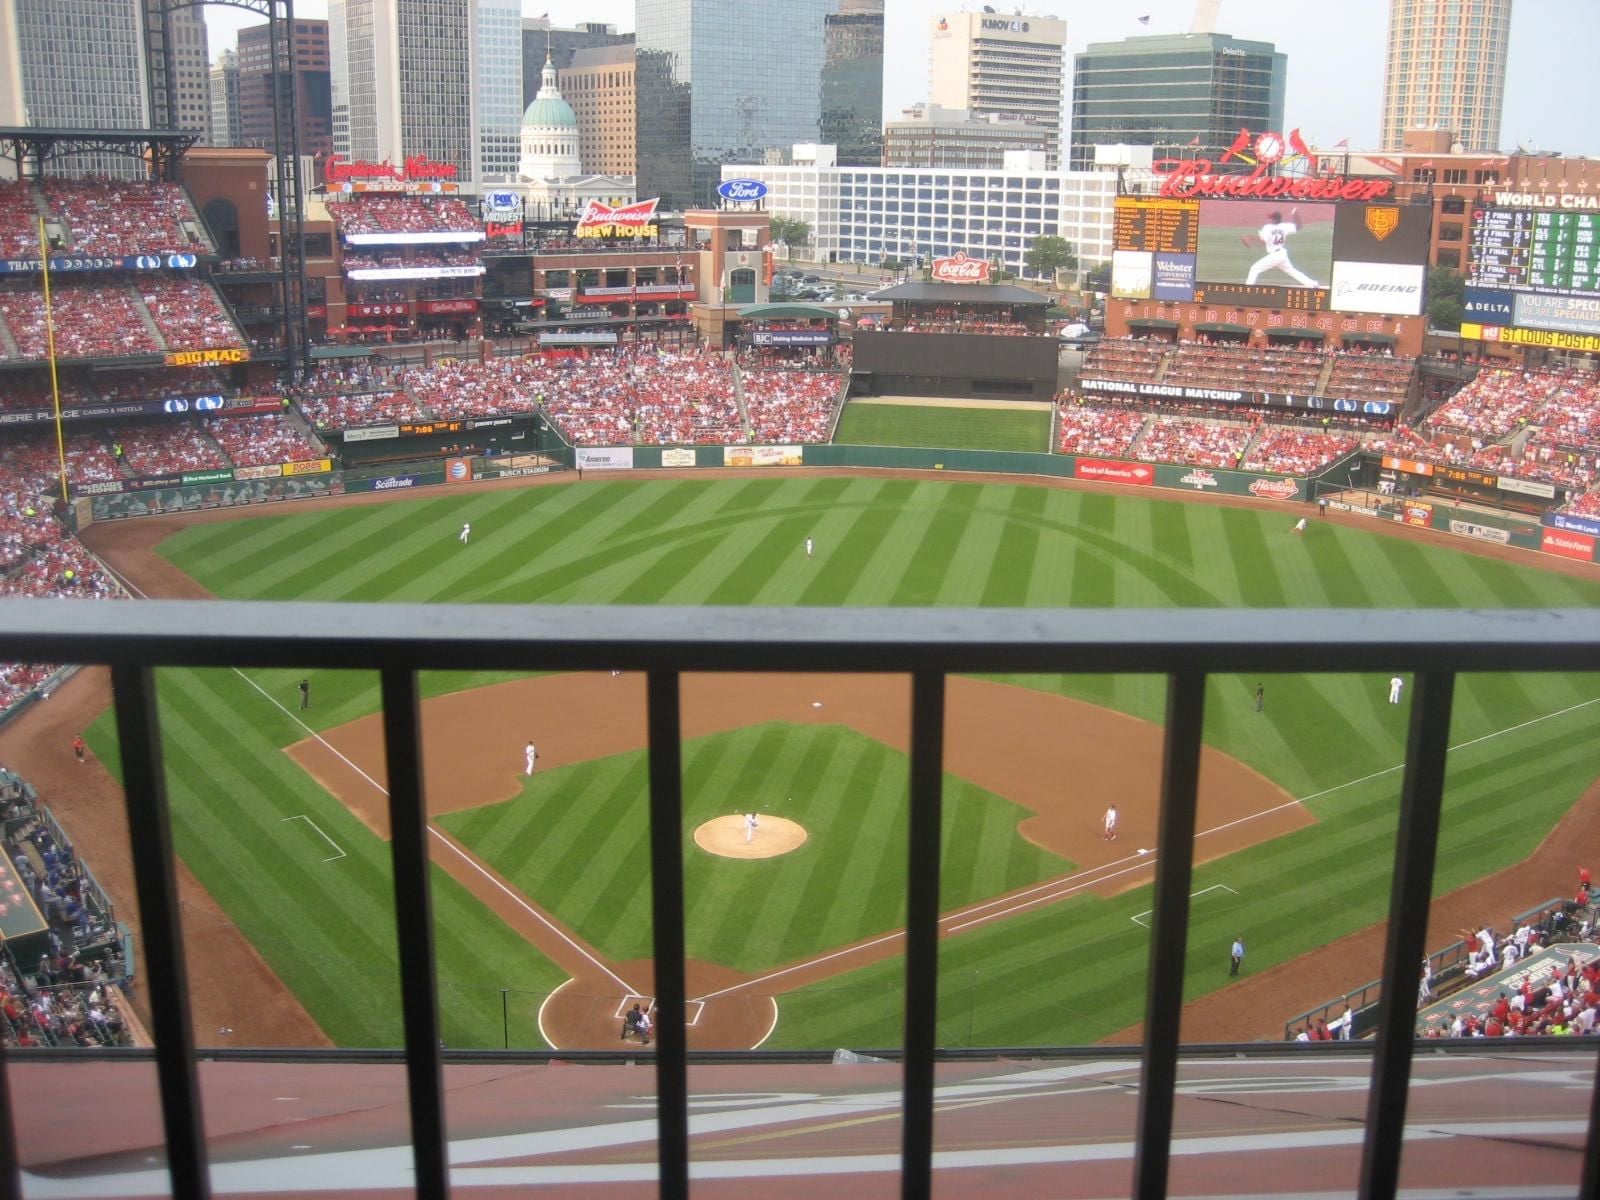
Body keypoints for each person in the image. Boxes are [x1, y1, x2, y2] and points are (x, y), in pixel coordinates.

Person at [1245, 208, 1320, 287]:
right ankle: (1313, 284)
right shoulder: (1284, 226)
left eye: (1271, 218)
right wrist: (1295, 215)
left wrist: (1250, 241)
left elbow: (1263, 242)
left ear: (1274, 219)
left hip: (1275, 255)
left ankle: (1248, 289)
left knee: (1255, 268)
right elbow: (1299, 226)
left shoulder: (1267, 228)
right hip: (1282, 253)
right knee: (1291, 271)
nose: (1270, 220)